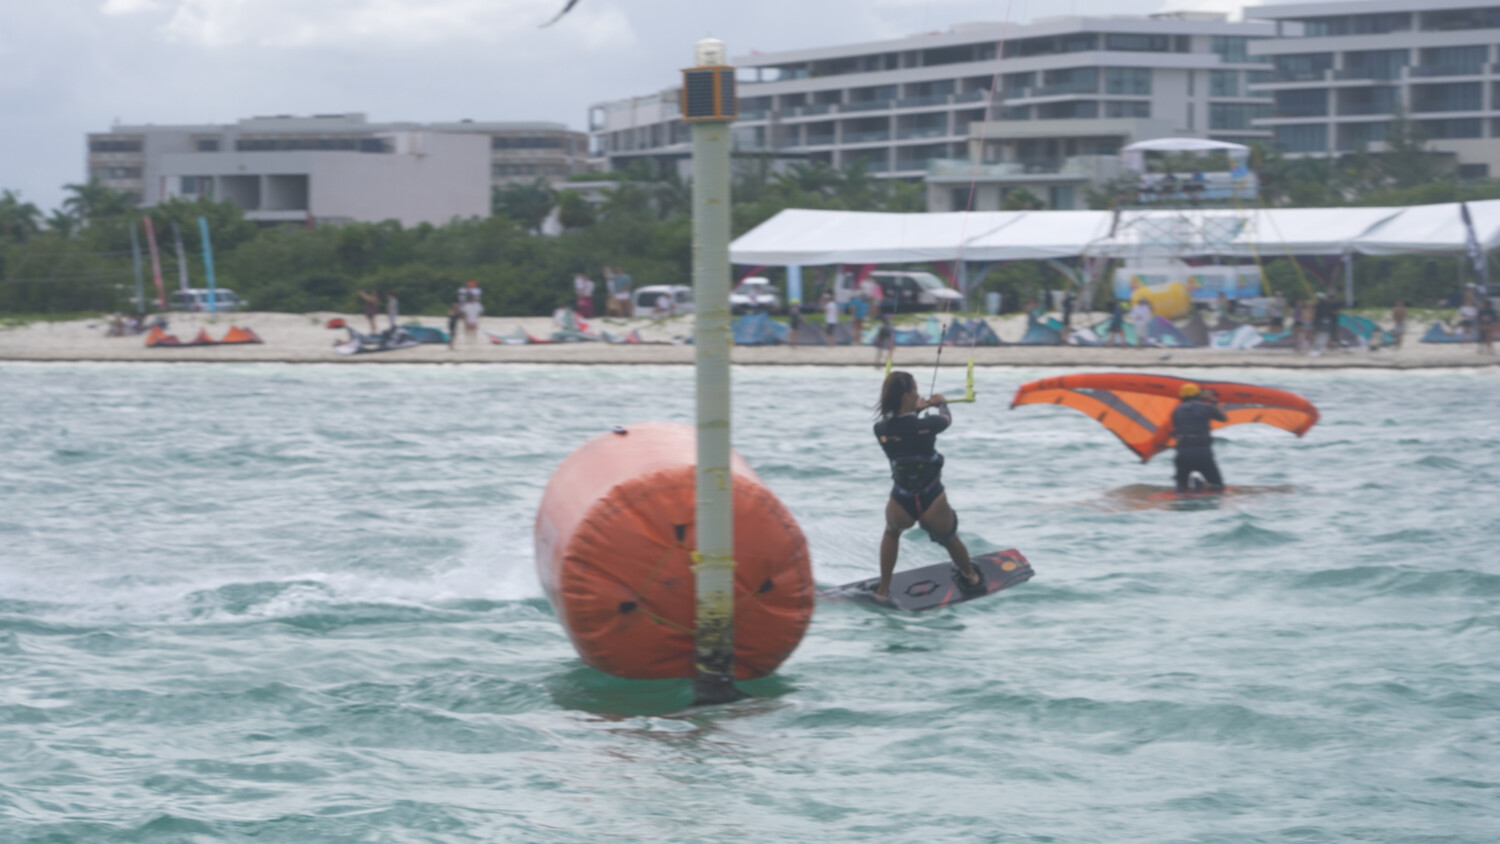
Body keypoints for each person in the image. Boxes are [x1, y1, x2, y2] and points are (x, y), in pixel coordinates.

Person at [872, 371, 981, 601]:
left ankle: (883, 590)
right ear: (906, 396)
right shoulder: (930, 425)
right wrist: (941, 403)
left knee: (892, 533)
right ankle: (970, 576)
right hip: (932, 499)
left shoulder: (880, 430)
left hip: (900, 500)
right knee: (949, 538)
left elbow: (903, 427)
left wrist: (915, 410)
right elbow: (946, 420)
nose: (919, 393)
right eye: (915, 390)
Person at [1170, 383, 1228, 494]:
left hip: (1182, 454)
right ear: (1198, 396)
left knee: (1181, 488)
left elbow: (1175, 432)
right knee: (1218, 487)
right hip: (1202, 453)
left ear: (1182, 397)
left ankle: (1183, 488)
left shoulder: (1176, 411)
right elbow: (1224, 418)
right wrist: (1212, 400)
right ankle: (1201, 484)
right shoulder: (1207, 408)